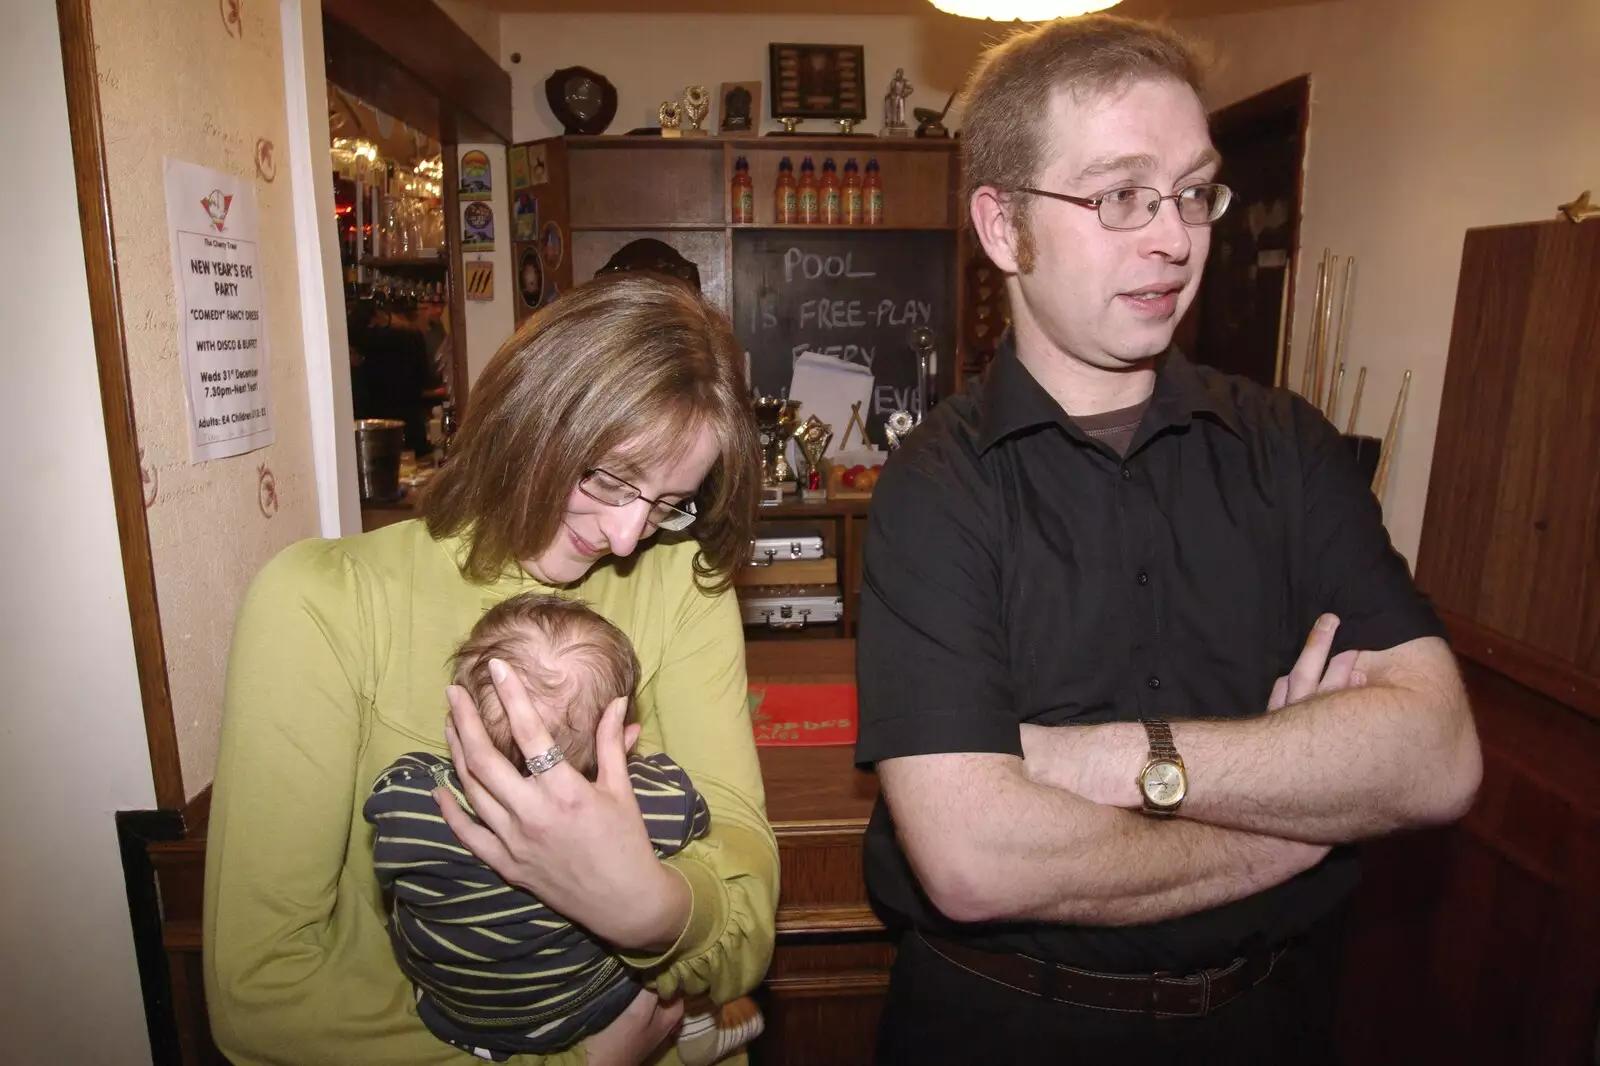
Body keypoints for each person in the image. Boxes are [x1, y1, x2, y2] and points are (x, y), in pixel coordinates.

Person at [854, 15, 1482, 1065]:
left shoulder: (1288, 446)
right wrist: (1309, 816)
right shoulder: (935, 483)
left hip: (1266, 1021)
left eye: (1191, 191)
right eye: (1119, 196)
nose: (1174, 238)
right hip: (1003, 1026)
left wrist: (1109, 759)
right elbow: (974, 858)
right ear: (1004, 229)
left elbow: (1437, 756)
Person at [205, 274, 777, 1066]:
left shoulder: (682, 584)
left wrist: (645, 909)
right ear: (529, 417)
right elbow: (258, 998)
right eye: (609, 478)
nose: (624, 537)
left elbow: (747, 919)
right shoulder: (321, 603)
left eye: (664, 504)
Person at [364, 591, 765, 1065]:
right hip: (583, 1011)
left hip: (455, 1013)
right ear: (620, 738)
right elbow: (694, 817)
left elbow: (388, 871)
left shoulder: (406, 794)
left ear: (461, 719)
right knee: (664, 961)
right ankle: (696, 1018)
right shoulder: (646, 801)